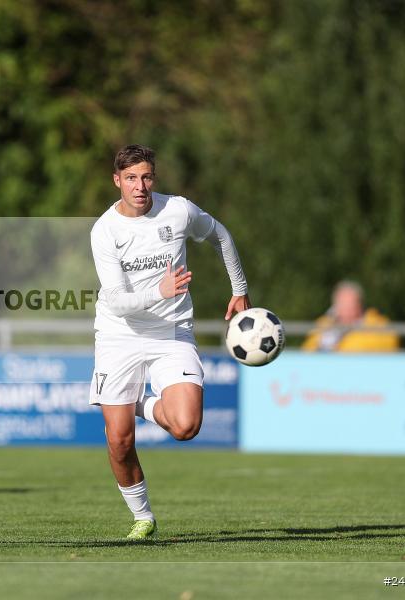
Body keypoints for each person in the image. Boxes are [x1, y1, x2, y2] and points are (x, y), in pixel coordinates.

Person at [89, 144, 250, 540]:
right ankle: (142, 516)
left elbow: (220, 235)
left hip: (171, 333)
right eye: (131, 178)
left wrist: (240, 289)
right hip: (119, 335)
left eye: (146, 177)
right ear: (117, 181)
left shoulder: (177, 210)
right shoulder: (104, 230)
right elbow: (120, 303)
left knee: (186, 425)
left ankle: (134, 403)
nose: (139, 186)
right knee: (119, 439)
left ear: (153, 179)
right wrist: (161, 290)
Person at [301, 280, 399, 352]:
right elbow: (306, 353)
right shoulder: (324, 325)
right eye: (342, 305)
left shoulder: (377, 324)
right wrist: (322, 346)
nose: (346, 311)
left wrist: (339, 348)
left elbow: (390, 344)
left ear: (360, 306)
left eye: (350, 305)